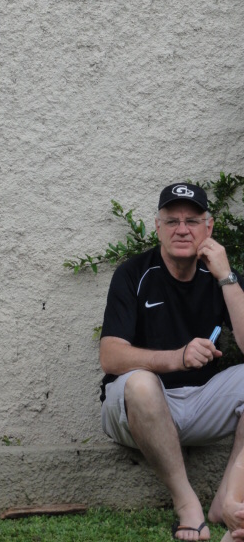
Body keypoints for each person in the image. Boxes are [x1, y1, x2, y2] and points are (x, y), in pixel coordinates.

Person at [99, 182, 244, 541]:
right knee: (141, 383)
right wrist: (178, 358)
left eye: (192, 221)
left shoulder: (220, 275)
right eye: (172, 221)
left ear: (208, 228)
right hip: (139, 410)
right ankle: (187, 505)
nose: (182, 229)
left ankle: (229, 500)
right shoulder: (133, 273)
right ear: (157, 227)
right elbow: (110, 356)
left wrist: (227, 277)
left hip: (201, 403)